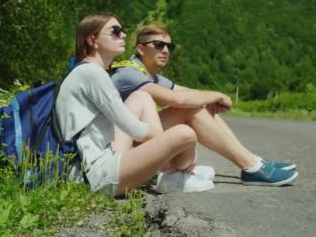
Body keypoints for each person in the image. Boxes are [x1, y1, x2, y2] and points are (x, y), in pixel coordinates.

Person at [110, 23, 298, 186]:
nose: (166, 50)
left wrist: (211, 99)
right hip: (120, 150)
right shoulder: (129, 72)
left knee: (198, 104)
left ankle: (253, 161)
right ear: (141, 49)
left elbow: (184, 91)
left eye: (169, 46)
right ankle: (250, 166)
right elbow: (178, 100)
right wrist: (216, 95)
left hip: (137, 141)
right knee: (190, 108)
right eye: (159, 45)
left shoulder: (151, 75)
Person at [55, 14, 215, 196]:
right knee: (185, 135)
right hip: (95, 175)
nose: (123, 35)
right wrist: (170, 146)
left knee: (141, 97)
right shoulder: (92, 74)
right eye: (115, 31)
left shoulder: (88, 70)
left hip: (99, 159)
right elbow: (134, 128)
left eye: (122, 31)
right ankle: (172, 173)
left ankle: (169, 173)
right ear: (92, 40)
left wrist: (164, 148)